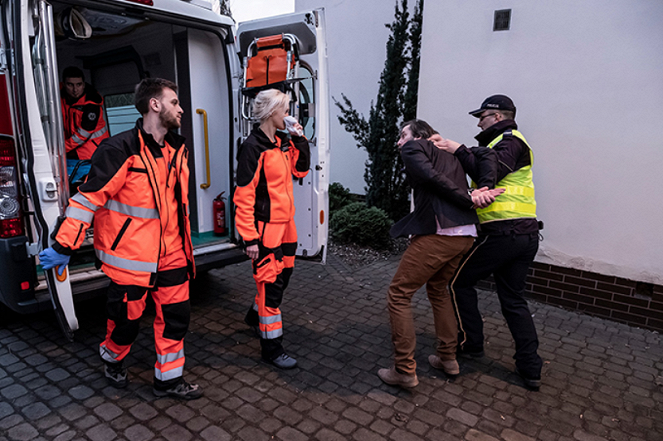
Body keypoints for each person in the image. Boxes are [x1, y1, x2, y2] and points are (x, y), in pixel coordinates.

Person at [39, 78, 202, 400]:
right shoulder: (119, 149)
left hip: (173, 255)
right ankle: (112, 358)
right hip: (132, 260)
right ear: (154, 105)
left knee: (175, 321)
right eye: (174, 102)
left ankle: (168, 380)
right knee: (125, 323)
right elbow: (87, 200)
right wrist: (63, 245)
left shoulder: (177, 148)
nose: (181, 109)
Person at [377, 119, 502, 388]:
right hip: (466, 235)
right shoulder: (451, 154)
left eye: (403, 135)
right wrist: (478, 180)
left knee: (399, 294)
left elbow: (432, 178)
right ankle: (448, 358)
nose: (399, 142)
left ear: (420, 136)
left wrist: (469, 197)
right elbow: (488, 153)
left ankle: (404, 370)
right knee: (438, 289)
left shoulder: (414, 148)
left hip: (440, 234)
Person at [434, 94, 543, 391]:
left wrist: (458, 149)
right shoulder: (501, 143)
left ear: (496, 117)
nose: (479, 122)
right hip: (524, 235)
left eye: (481, 117)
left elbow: (489, 174)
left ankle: (471, 343)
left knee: (457, 283)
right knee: (513, 300)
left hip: (504, 234)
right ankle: (530, 368)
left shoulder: (510, 141)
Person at [234, 89, 310, 369]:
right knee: (271, 288)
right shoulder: (253, 147)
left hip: (286, 225)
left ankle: (254, 319)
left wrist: (300, 138)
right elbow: (243, 195)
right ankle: (272, 349)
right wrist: (250, 238)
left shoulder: (281, 142)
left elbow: (300, 171)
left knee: (284, 277)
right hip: (265, 230)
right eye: (285, 109)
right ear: (270, 112)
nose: (289, 114)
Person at [60, 67, 109, 181]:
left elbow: (82, 135)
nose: (75, 89)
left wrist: (61, 149)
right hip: (72, 154)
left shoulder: (91, 105)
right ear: (64, 85)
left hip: (92, 154)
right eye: (70, 85)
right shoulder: (61, 98)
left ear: (84, 84)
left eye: (78, 84)